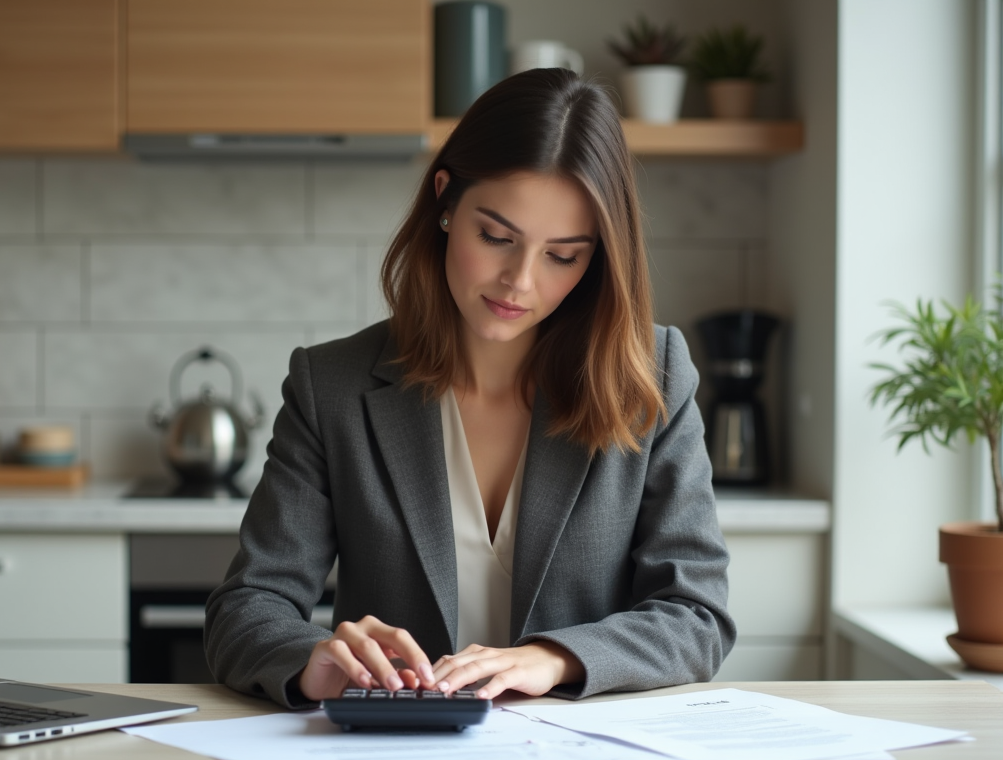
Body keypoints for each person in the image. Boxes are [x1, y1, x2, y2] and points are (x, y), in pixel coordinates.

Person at [204, 68, 735, 709]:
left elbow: (696, 616)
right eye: (496, 237)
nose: (520, 281)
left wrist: (554, 658)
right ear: (446, 201)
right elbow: (247, 607)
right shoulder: (331, 386)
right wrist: (310, 658)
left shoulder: (654, 375)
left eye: (562, 255)